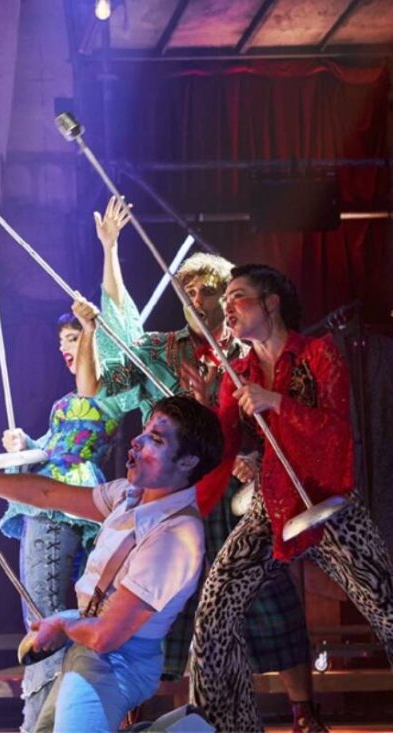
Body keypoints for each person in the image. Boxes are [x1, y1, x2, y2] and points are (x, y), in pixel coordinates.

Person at [88, 195, 318, 729]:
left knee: (269, 598)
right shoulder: (162, 350)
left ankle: (305, 712)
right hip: (175, 498)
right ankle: (137, 714)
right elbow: (117, 350)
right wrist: (110, 251)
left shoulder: (248, 353)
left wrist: (251, 456)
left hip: (234, 498)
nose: (197, 298)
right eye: (188, 291)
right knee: (154, 602)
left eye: (209, 290)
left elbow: (275, 419)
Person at [0, 394, 223, 732]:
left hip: (116, 662)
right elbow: (48, 494)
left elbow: (106, 636)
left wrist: (62, 624)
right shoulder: (128, 496)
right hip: (92, 649)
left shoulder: (174, 535)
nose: (137, 441)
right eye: (144, 431)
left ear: (187, 462)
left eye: (156, 440)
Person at [189, 264, 393, 732]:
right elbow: (223, 448)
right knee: (215, 610)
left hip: (328, 502)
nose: (227, 307)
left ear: (271, 302)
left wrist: (277, 402)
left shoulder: (318, 355)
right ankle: (227, 727)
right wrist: (204, 412)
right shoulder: (236, 374)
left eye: (238, 296)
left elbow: (338, 436)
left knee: (386, 608)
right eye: (226, 300)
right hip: (272, 504)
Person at [0, 307, 121, 731]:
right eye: (63, 341)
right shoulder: (65, 404)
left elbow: (89, 392)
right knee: (50, 616)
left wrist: (90, 328)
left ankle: (43, 725)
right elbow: (50, 449)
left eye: (74, 338)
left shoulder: (105, 392)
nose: (66, 348)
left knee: (43, 619)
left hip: (60, 504)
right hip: (56, 498)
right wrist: (25, 442)